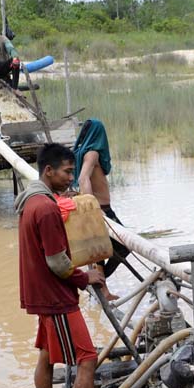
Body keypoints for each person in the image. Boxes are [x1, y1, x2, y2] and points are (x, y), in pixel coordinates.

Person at [15, 143, 119, 388]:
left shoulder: (32, 200)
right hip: (56, 297)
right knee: (87, 359)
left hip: (40, 293)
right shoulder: (46, 209)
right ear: (49, 171)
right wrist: (87, 277)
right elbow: (58, 263)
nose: (71, 178)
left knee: (46, 356)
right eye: (67, 172)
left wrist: (64, 202)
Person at [72, 119, 132, 300]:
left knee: (99, 251)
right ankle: (97, 281)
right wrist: (93, 209)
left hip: (99, 208)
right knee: (125, 246)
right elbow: (83, 179)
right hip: (102, 209)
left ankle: (103, 290)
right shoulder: (92, 153)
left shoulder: (82, 153)